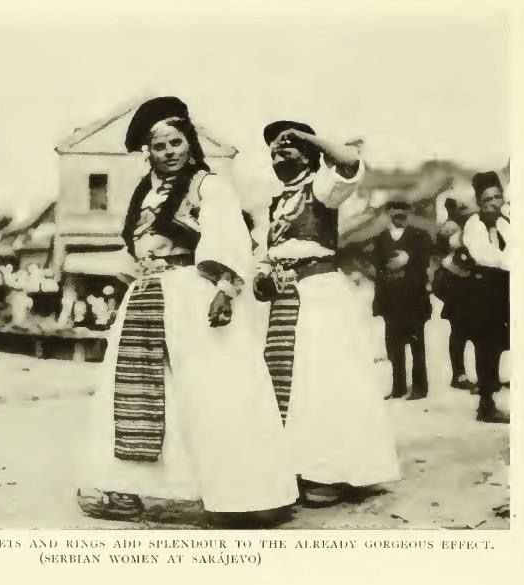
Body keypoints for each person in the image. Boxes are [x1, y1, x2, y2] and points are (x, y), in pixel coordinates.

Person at [77, 97, 299, 528]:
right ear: (149, 150)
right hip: (148, 297)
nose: (169, 153)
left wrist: (224, 291)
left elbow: (229, 239)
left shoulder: (208, 186)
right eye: (160, 146)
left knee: (216, 393)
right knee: (138, 394)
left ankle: (247, 494)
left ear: (189, 143)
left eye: (176, 143)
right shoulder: (143, 192)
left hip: (194, 293)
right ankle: (126, 489)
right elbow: (134, 247)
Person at [255, 120, 401, 506]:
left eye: (288, 148)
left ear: (308, 155)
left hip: (319, 293)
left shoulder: (320, 188)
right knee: (289, 383)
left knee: (323, 381)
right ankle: (297, 467)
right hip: (285, 299)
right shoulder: (276, 202)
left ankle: (330, 472)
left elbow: (349, 162)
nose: (279, 155)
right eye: (274, 151)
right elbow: (270, 252)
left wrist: (308, 138)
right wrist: (263, 275)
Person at [371, 198, 433, 400]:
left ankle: (420, 388)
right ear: (388, 212)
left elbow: (425, 261)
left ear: (409, 213)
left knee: (417, 345)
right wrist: (387, 273)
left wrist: (408, 258)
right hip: (391, 300)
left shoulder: (420, 236)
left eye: (403, 211)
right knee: (394, 346)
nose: (399, 215)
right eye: (394, 210)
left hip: (413, 299)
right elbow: (377, 266)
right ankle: (398, 387)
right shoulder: (381, 238)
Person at [462, 171, 509, 423]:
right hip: (483, 292)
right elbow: (486, 256)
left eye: (497, 197)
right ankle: (486, 404)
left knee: (503, 343)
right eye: (487, 199)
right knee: (487, 346)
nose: (493, 204)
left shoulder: (506, 222)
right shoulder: (474, 225)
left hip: (505, 289)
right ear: (479, 203)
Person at [433, 198, 477, 391]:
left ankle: (462, 374)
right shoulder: (450, 229)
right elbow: (442, 256)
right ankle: (459, 375)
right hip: (456, 287)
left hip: (463, 286)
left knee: (463, 332)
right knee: (460, 333)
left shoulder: (465, 227)